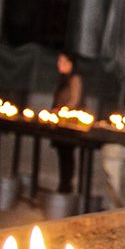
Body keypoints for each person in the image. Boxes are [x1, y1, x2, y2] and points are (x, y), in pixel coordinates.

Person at [52, 51, 82, 194]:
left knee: (67, 154)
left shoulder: (74, 79)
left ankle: (66, 186)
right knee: (62, 154)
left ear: (70, 63)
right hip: (61, 122)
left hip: (70, 123)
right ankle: (63, 184)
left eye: (62, 61)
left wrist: (62, 111)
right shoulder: (63, 79)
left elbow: (75, 100)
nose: (59, 64)